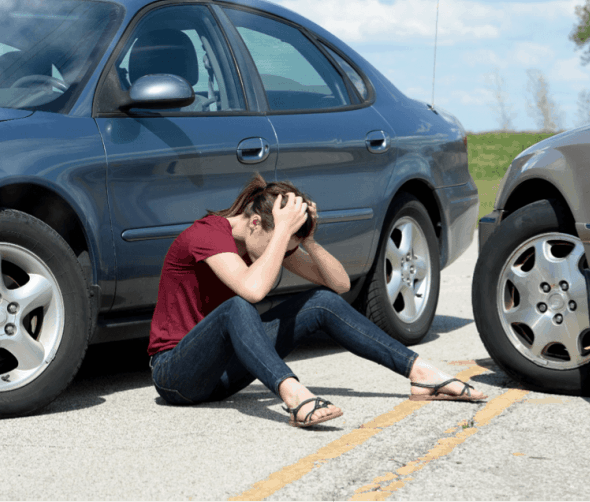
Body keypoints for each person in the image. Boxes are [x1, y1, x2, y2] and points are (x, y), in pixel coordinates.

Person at [147, 174, 486, 428]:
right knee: (238, 307)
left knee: (320, 301)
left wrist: (306, 240)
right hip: (177, 375)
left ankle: (421, 373)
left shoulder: (264, 240)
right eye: (278, 241)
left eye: (287, 245)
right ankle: (294, 395)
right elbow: (251, 291)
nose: (281, 253)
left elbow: (337, 284)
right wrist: (281, 233)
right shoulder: (206, 235)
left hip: (223, 374)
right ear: (253, 223)